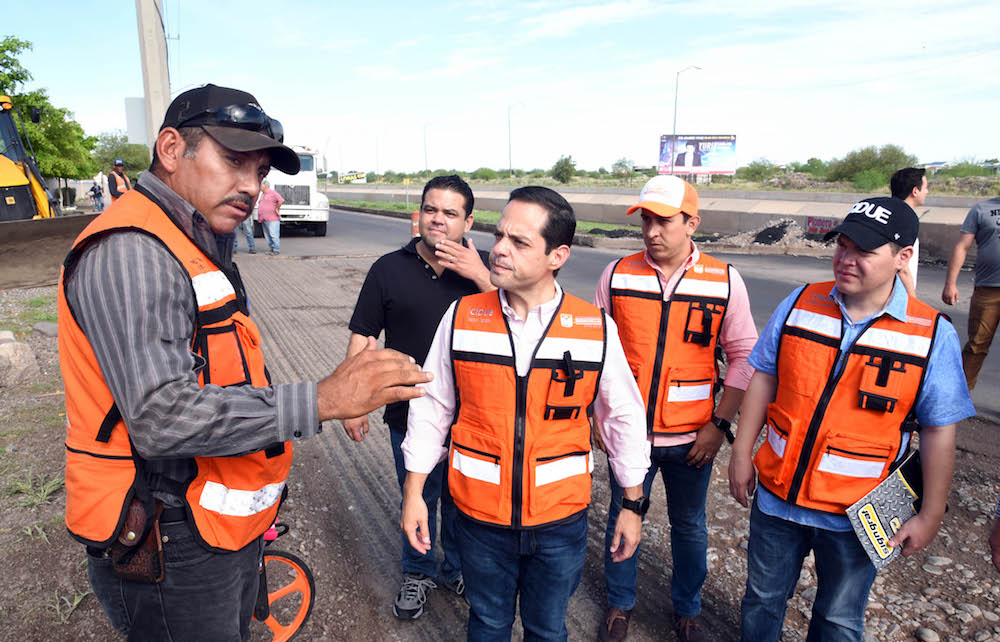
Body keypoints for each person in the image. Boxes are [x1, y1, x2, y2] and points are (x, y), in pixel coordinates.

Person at [58, 83, 431, 642]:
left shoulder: (195, 241)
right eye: (233, 161)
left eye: (260, 172)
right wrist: (324, 399)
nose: (251, 186)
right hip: (167, 534)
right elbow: (163, 416)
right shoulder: (132, 251)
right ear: (170, 148)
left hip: (209, 522)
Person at [400, 186, 652, 641]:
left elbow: (623, 421)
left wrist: (633, 506)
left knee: (547, 629)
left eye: (519, 242)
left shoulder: (594, 329)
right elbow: (431, 409)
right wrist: (414, 492)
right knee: (488, 624)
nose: (497, 250)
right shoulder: (461, 317)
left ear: (557, 256)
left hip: (560, 524)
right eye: (499, 236)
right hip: (477, 521)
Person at [729, 197, 974, 641]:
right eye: (842, 245)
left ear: (903, 258)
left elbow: (939, 430)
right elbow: (764, 378)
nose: (846, 259)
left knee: (839, 618)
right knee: (762, 599)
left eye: (863, 250)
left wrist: (932, 512)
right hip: (777, 499)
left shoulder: (930, 333)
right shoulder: (801, 302)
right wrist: (741, 453)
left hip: (858, 519)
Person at [594, 175, 758, 642]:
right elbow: (596, 351)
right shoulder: (617, 274)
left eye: (663, 221)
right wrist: (595, 415)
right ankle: (620, 605)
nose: (651, 231)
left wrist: (720, 425)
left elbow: (745, 355)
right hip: (629, 437)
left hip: (693, 438)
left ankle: (687, 610)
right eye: (646, 220)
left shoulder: (724, 280)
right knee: (622, 517)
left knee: (689, 526)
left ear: (692, 223)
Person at [344, 174, 492, 619]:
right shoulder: (388, 268)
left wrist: (480, 276)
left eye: (450, 213)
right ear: (419, 214)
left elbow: (521, 319)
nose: (438, 220)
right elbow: (364, 334)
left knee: (466, 503)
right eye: (431, 210)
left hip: (477, 416)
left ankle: (457, 570)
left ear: (468, 221)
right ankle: (417, 573)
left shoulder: (488, 267)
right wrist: (354, 400)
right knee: (419, 498)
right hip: (409, 412)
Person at [942, 193, 1000, 391]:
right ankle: (959, 396)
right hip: (987, 289)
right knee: (977, 345)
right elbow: (962, 246)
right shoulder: (981, 209)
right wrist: (951, 283)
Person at [890, 167, 929, 296]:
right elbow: (901, 267)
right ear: (915, 191)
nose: (927, 192)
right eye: (925, 188)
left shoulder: (887, 214)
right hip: (895, 295)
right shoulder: (903, 219)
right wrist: (913, 300)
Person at [257, 179, 284, 255]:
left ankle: (276, 250)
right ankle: (272, 248)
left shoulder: (273, 193)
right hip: (264, 219)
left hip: (272, 219)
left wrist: (277, 208)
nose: (259, 187)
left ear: (264, 185)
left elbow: (281, 200)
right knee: (268, 235)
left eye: (260, 185)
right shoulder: (263, 194)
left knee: (273, 234)